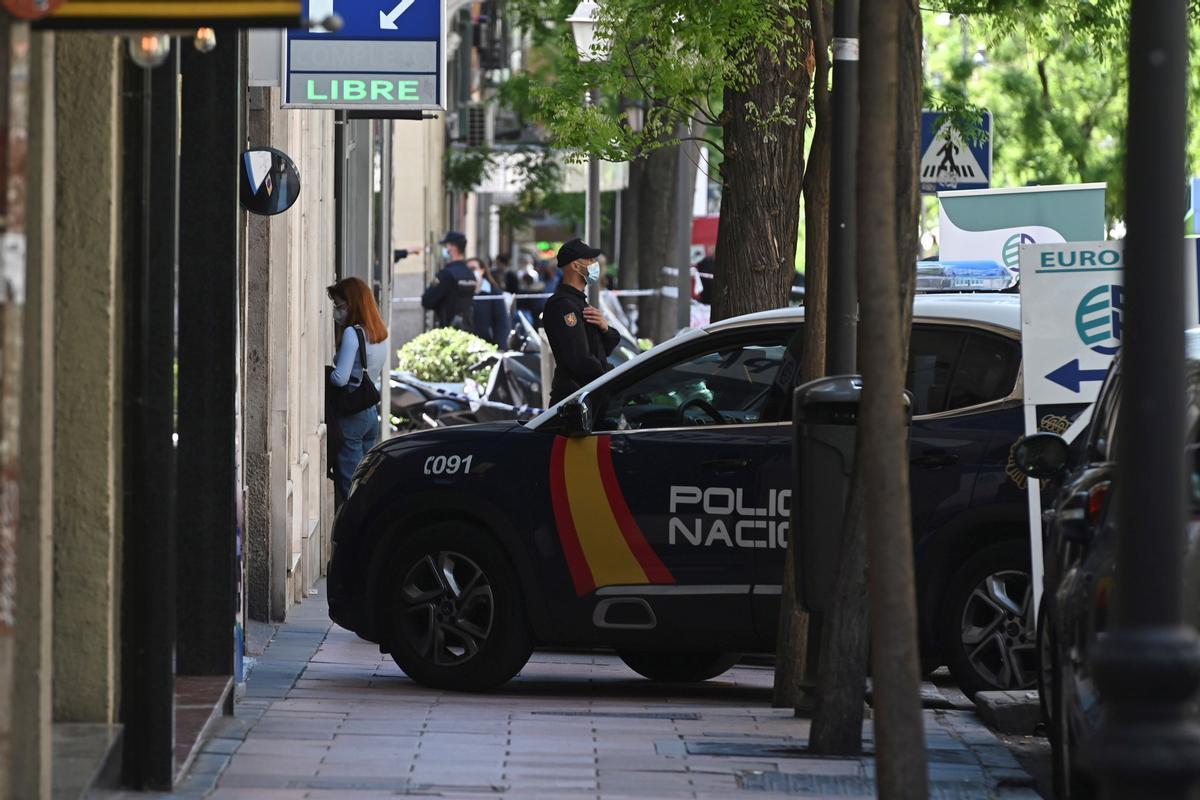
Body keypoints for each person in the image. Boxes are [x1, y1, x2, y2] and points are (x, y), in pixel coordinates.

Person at [327, 277, 389, 506]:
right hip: (371, 413)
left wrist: (326, 375)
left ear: (353, 304)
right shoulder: (379, 331)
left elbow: (340, 378)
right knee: (366, 481)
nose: (337, 312)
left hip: (352, 417)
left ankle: (354, 534)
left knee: (350, 486)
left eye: (340, 306)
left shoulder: (353, 333)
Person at [543, 238, 620, 405]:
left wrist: (605, 328)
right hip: (576, 400)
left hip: (590, 395)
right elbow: (580, 359)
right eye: (590, 260)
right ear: (575, 266)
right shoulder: (563, 305)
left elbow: (603, 349)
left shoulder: (579, 302)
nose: (595, 264)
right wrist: (611, 378)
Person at [421, 232, 477, 331]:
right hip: (467, 329)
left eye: (446, 246)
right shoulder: (470, 274)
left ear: (453, 248)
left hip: (448, 329)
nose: (445, 249)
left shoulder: (446, 274)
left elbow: (427, 300)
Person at [469, 256, 512, 347]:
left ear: (482, 270)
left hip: (489, 346)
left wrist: (500, 348)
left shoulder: (494, 293)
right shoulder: (462, 293)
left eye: (473, 268)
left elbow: (502, 323)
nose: (470, 272)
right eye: (467, 269)